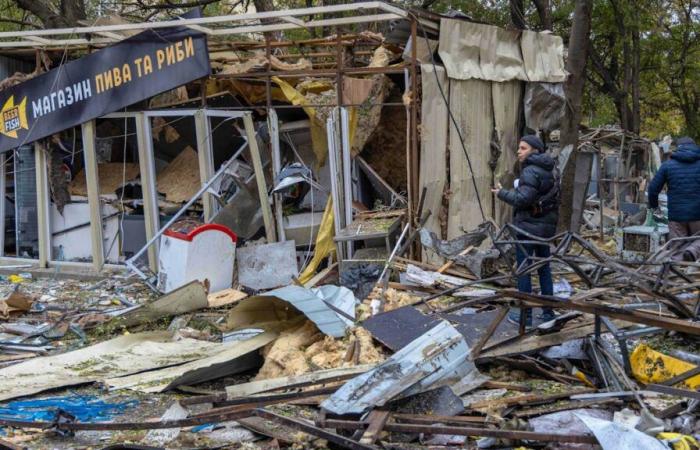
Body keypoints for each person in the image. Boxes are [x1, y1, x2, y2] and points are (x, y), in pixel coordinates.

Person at [491, 135, 560, 326]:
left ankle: (525, 315)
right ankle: (548, 314)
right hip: (545, 228)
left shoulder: (530, 171)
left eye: (523, 148)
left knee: (524, 270)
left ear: (535, 150)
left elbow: (523, 199)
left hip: (528, 227)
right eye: (519, 148)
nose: (519, 152)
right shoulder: (551, 169)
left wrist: (502, 194)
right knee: (544, 269)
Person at [647, 136, 700, 261]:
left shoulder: (667, 166)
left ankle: (676, 273)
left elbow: (653, 189)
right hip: (698, 213)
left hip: (676, 215)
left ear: (677, 148)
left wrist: (654, 206)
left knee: (677, 248)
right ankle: (692, 251)